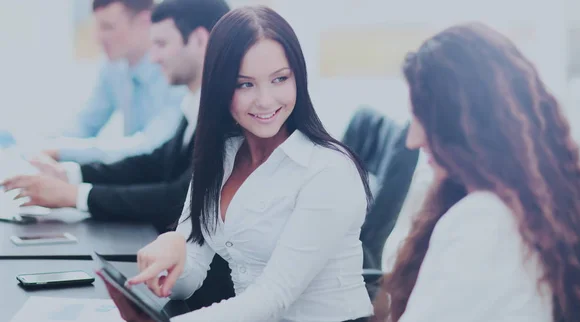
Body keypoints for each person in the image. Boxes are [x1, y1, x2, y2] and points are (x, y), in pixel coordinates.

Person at [99, 6, 374, 322]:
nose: (266, 100)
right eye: (245, 84)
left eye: (280, 79)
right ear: (220, 87)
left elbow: (273, 297)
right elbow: (188, 282)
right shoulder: (223, 155)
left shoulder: (329, 171)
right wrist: (173, 248)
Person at [3, 0, 235, 308]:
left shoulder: (227, 116)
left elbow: (177, 196)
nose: (154, 57)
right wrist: (73, 175)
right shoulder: (193, 104)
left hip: (211, 291)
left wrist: (76, 194)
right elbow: (154, 163)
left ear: (200, 40)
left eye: (162, 44)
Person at [372, 23, 580, 322]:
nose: (412, 140)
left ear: (464, 125)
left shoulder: (482, 220)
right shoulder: (550, 209)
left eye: (422, 117)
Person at [46, 0, 185, 164]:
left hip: (162, 175)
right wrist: (44, 146)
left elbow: (150, 146)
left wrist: (62, 151)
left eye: (107, 27)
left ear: (144, 22)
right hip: (130, 175)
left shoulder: (176, 70)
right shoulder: (113, 66)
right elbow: (86, 123)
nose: (98, 38)